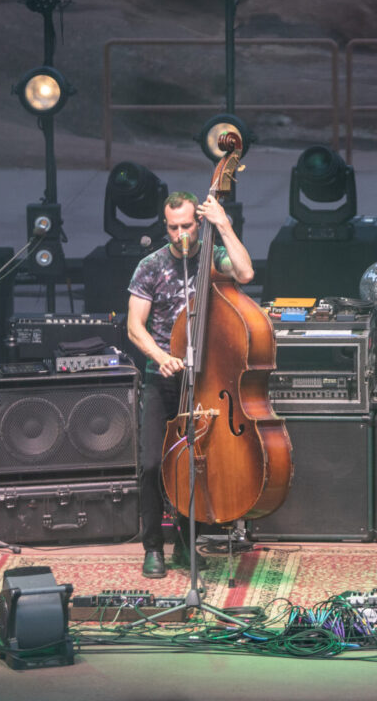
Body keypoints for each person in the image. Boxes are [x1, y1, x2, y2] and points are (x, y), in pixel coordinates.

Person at [126, 191, 255, 579]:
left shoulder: (212, 257)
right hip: (162, 376)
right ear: (164, 226)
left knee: (196, 463)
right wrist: (161, 357)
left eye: (187, 225)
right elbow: (135, 327)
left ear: (197, 223)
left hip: (205, 379)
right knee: (151, 465)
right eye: (173, 227)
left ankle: (186, 540)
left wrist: (224, 224)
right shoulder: (150, 266)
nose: (181, 234)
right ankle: (153, 547)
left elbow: (246, 273)